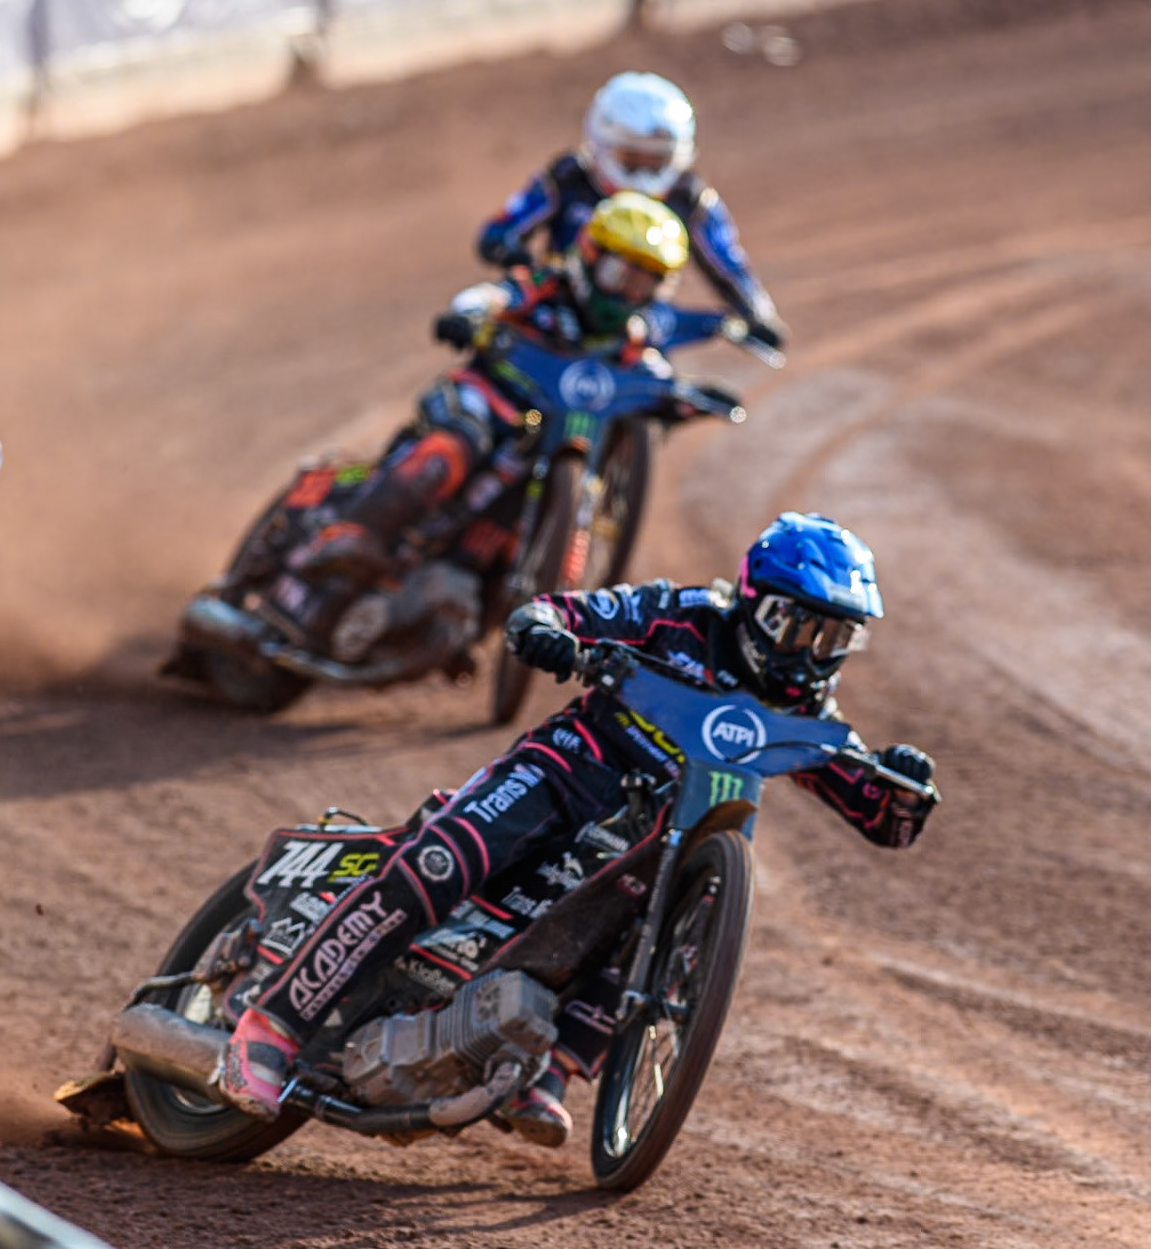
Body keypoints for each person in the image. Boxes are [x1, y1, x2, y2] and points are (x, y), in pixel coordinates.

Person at [211, 512, 939, 1143]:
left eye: (833, 637)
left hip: (648, 837)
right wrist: (547, 631)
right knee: (444, 861)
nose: (808, 651)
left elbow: (885, 822)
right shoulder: (680, 613)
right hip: (566, 770)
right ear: (753, 603)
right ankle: (271, 1028)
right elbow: (559, 611)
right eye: (796, 625)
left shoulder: (810, 716)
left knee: (677, 914)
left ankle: (545, 1070)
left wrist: (902, 787)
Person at [296, 190, 688, 584]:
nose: (629, 294)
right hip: (484, 399)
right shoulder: (545, 286)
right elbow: (494, 296)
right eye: (621, 275)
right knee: (448, 452)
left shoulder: (634, 340)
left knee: (542, 511)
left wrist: (689, 398)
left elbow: (656, 377)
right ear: (590, 254)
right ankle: (352, 531)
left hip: (542, 438)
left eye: (644, 285)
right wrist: (469, 314)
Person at [476, 71, 787, 349]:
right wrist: (525, 265)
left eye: (656, 161)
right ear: (601, 143)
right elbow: (500, 232)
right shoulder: (569, 177)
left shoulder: (689, 197)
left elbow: (728, 262)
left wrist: (758, 314)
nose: (644, 172)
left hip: (638, 330)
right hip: (556, 316)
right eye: (632, 159)